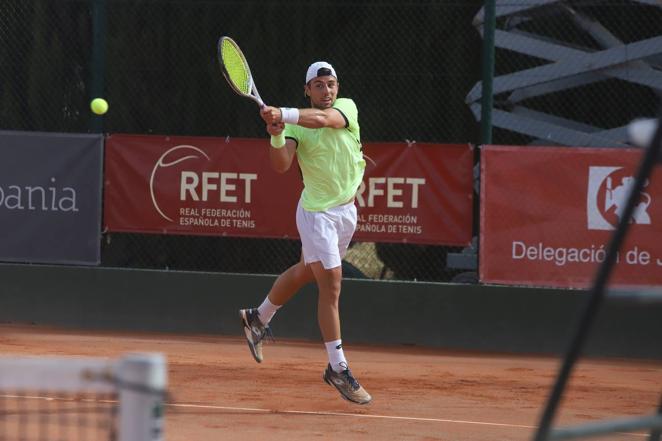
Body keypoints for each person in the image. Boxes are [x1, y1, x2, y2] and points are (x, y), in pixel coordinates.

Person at [239, 61, 371, 405]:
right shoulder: (298, 126)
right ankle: (337, 368)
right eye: (318, 85)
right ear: (307, 90)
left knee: (305, 272)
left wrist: (284, 113)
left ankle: (257, 317)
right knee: (332, 284)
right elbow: (281, 165)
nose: (326, 91)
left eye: (331, 84)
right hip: (317, 215)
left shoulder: (347, 108)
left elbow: (326, 121)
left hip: (345, 212)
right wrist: (278, 132)